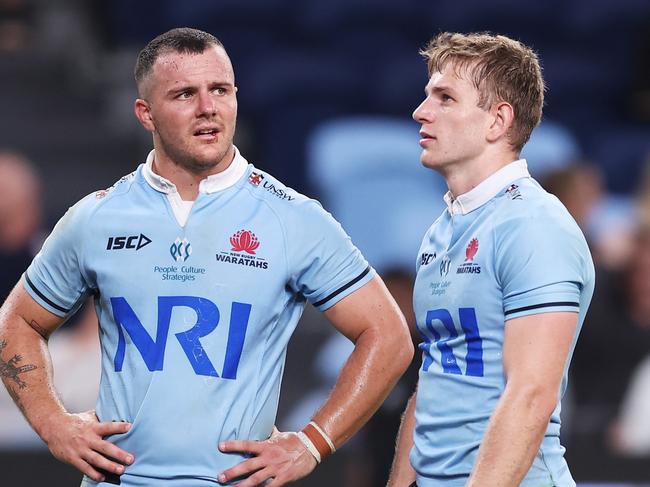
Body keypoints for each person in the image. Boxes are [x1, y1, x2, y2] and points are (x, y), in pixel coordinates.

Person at [0, 27, 414, 487]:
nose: (207, 108)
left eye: (220, 90)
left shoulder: (292, 218)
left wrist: (313, 442)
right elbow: (17, 321)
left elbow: (389, 336)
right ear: (146, 113)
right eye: (184, 94)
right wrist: (54, 426)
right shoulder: (97, 217)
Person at [387, 32, 595, 487]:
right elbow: (433, 386)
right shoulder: (439, 232)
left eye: (445, 98)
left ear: (498, 120)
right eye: (427, 97)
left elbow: (531, 394)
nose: (421, 112)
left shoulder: (534, 225)